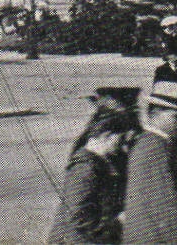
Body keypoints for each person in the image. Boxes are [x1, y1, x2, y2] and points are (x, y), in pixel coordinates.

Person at [48, 88, 140, 245]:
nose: (124, 143)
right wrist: (118, 223)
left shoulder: (102, 161)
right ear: (106, 135)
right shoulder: (86, 168)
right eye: (121, 138)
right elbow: (79, 220)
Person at [120, 81, 177, 245]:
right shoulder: (156, 149)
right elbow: (166, 209)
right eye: (176, 116)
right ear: (156, 113)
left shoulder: (151, 143)